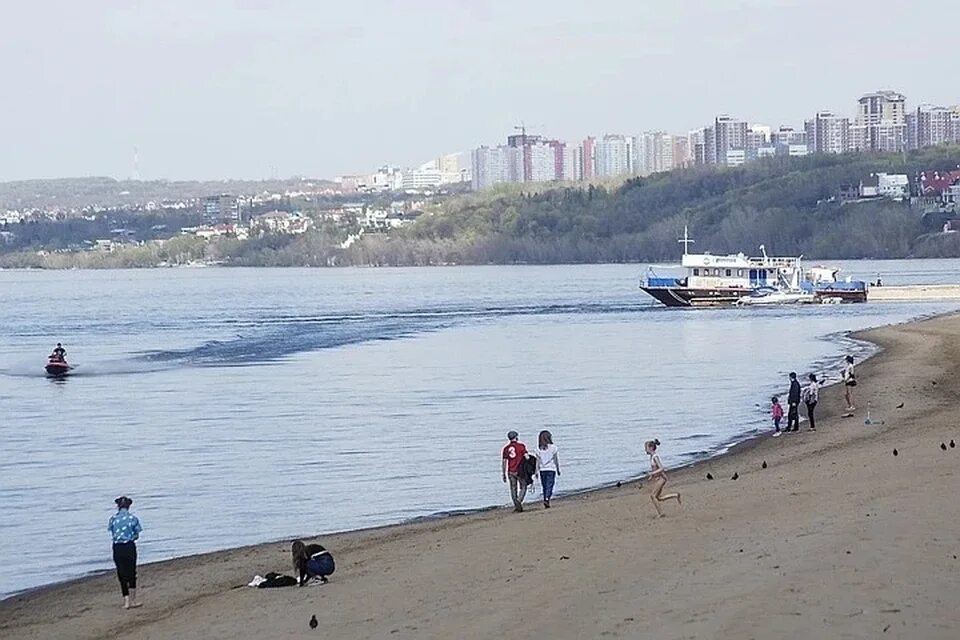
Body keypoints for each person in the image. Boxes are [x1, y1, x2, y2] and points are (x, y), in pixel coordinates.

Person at [108, 496, 142, 609]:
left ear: (118, 506)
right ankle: (133, 600)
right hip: (129, 546)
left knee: (121, 573)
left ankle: (126, 601)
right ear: (129, 506)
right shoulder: (133, 518)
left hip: (117, 547)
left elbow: (112, 532)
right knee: (132, 571)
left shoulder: (113, 519)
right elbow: (136, 535)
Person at [645, 439, 680, 517]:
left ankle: (661, 514)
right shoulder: (651, 457)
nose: (645, 450)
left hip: (662, 478)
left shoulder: (655, 457)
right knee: (659, 498)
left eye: (646, 448)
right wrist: (652, 476)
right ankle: (675, 495)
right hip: (659, 478)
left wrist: (652, 473)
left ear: (651, 448)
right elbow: (656, 468)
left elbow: (661, 468)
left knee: (653, 496)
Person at [501, 431, 529, 512]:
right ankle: (519, 501)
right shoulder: (521, 446)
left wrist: (503, 473)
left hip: (511, 471)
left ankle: (516, 503)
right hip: (520, 470)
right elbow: (527, 457)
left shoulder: (506, 448)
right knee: (523, 486)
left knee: (513, 488)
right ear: (516, 437)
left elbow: (504, 462)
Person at [534, 430, 561, 509]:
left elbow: (538, 461)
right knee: (550, 484)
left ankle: (545, 497)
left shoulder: (538, 449)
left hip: (542, 470)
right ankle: (547, 498)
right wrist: (558, 469)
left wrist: (536, 471)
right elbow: (556, 459)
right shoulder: (553, 448)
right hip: (551, 469)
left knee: (544, 485)